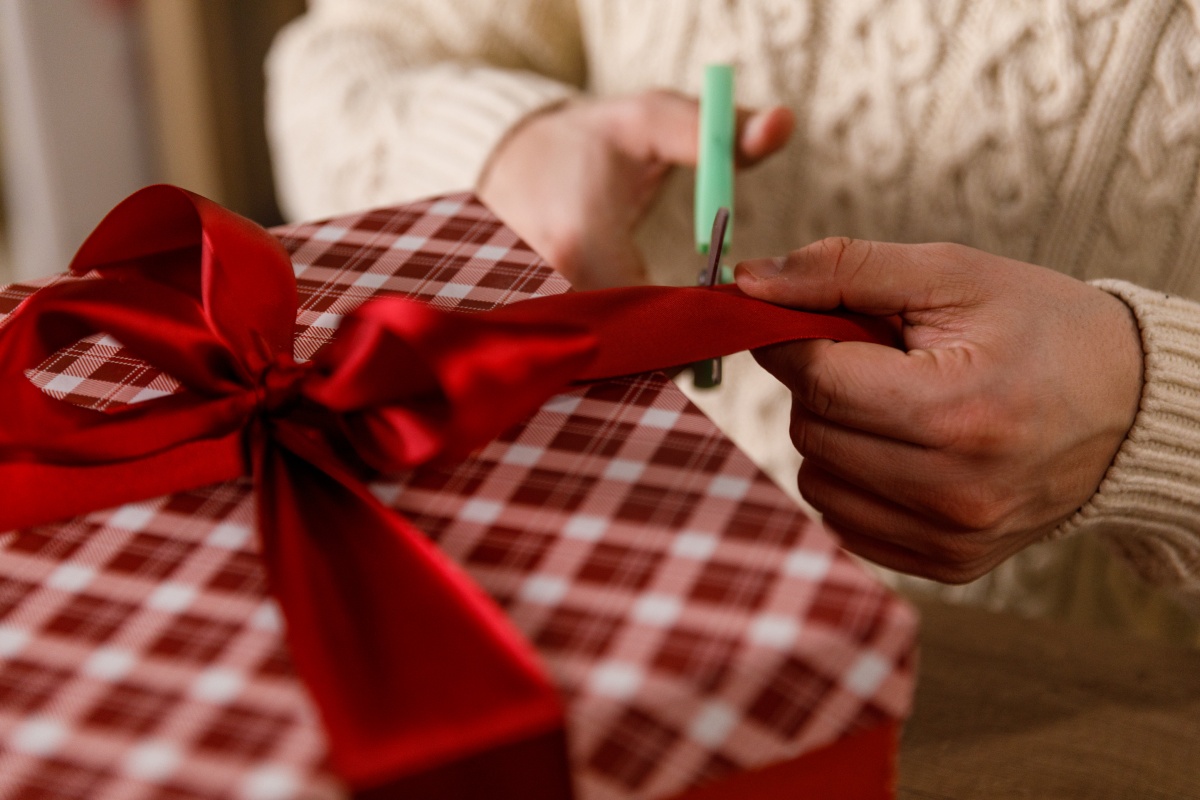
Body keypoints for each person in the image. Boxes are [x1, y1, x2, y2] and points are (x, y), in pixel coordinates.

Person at [265, 0, 1200, 639]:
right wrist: (501, 148)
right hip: (605, 594)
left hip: (1072, 694)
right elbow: (342, 58)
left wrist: (1146, 407)